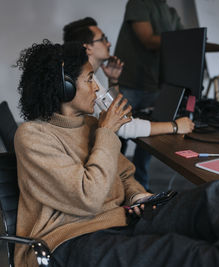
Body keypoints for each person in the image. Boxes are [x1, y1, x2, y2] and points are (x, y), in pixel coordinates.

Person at [13, 40, 219, 267]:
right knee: (190, 254)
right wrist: (107, 132)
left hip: (124, 216)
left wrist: (138, 195)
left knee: (215, 197)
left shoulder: (90, 124)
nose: (96, 88)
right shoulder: (33, 136)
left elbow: (125, 174)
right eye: (90, 79)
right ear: (64, 88)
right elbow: (87, 198)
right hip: (74, 238)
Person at [114, 0, 219, 189]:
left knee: (149, 137)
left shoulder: (170, 12)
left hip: (156, 84)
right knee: (118, 137)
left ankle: (139, 186)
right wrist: (188, 39)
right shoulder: (138, 3)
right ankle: (116, 188)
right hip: (131, 82)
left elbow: (188, 42)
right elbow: (148, 40)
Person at [63, 17, 194, 189]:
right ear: (87, 48)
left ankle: (139, 190)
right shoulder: (82, 85)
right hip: (95, 177)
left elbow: (119, 114)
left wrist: (114, 81)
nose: (108, 44)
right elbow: (125, 126)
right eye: (103, 39)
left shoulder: (91, 78)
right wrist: (175, 126)